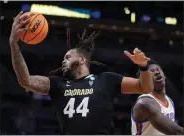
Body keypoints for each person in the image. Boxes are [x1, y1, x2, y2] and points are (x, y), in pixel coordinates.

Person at [10, 11, 153, 135]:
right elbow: (25, 80)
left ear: (82, 59)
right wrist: (13, 43)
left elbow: (144, 88)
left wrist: (144, 66)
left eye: (67, 57)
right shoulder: (58, 85)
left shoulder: (105, 80)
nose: (63, 62)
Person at [131, 60, 184, 135]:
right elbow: (176, 131)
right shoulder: (144, 102)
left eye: (158, 69)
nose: (157, 72)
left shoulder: (169, 101)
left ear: (164, 76)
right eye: (151, 72)